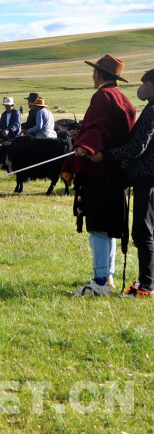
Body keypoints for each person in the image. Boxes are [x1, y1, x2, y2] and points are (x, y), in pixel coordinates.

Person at [64, 55, 136, 296]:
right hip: (114, 172)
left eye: (94, 71)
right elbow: (107, 130)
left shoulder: (103, 96)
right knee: (108, 227)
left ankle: (101, 282)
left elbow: (99, 128)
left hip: (99, 172)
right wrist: (82, 134)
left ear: (98, 74)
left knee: (97, 228)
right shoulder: (121, 98)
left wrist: (86, 146)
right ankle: (107, 277)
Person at [89, 69, 154, 297]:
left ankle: (146, 287)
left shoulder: (153, 110)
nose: (142, 87)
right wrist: (128, 160)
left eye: (146, 83)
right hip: (145, 174)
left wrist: (105, 155)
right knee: (145, 231)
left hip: (148, 177)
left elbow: (138, 146)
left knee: (144, 232)